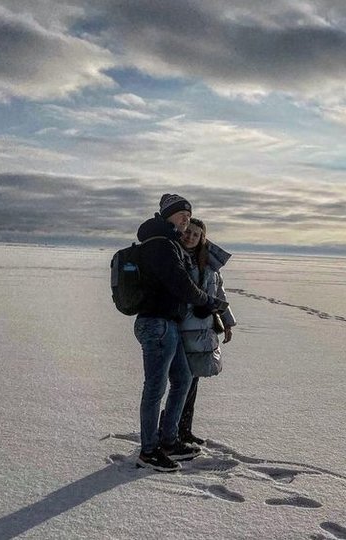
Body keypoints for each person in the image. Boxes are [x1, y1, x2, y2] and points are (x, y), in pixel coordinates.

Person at [132, 194, 223, 472]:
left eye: (189, 214)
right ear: (167, 215)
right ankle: (149, 451)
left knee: (182, 379)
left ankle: (169, 440)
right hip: (156, 324)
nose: (186, 218)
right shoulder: (160, 244)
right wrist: (207, 301)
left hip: (168, 323)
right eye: (181, 214)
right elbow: (181, 284)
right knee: (155, 389)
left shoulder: (169, 241)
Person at [176, 218, 236, 446]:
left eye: (196, 234)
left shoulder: (209, 265)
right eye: (188, 232)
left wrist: (227, 323)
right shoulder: (175, 258)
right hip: (182, 330)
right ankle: (170, 430)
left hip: (203, 331)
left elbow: (219, 295)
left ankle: (185, 430)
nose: (190, 237)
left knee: (193, 382)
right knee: (181, 383)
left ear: (203, 238)